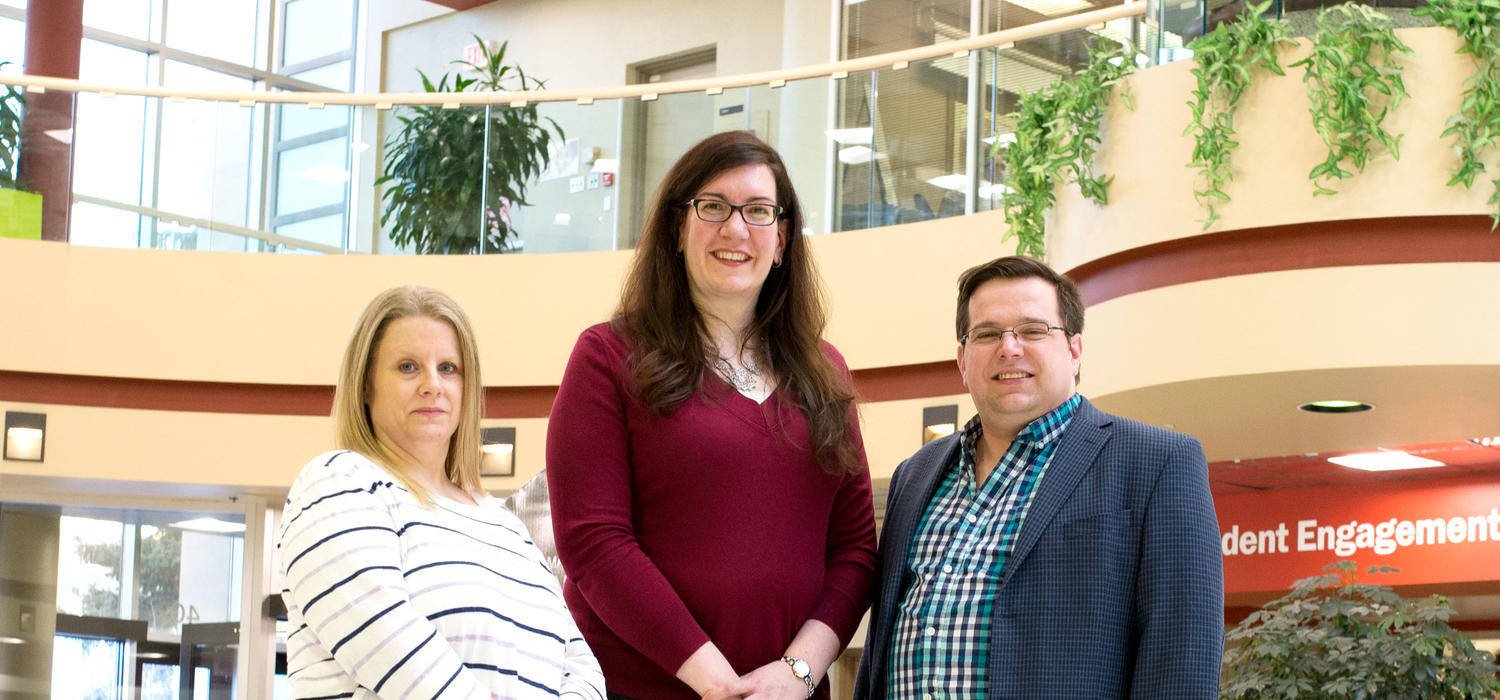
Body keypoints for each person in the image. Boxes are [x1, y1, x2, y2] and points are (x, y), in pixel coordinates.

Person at [547, 131, 878, 700]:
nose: (735, 228)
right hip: (640, 688)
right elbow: (594, 543)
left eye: (757, 211)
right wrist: (718, 685)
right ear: (678, 228)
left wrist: (797, 674)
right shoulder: (608, 356)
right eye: (713, 206)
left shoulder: (826, 372)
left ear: (782, 241)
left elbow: (853, 551)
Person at [853, 256, 1224, 699]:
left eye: (1033, 330)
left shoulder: (1159, 463)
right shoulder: (914, 476)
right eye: (987, 334)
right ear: (961, 359)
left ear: (1074, 350)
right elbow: (878, 653)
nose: (1009, 348)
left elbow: (1183, 658)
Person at [278, 285, 604, 700]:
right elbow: (394, 652)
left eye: (448, 368)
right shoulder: (336, 485)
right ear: (365, 386)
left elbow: (582, 668)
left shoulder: (507, 526)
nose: (432, 384)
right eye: (408, 367)